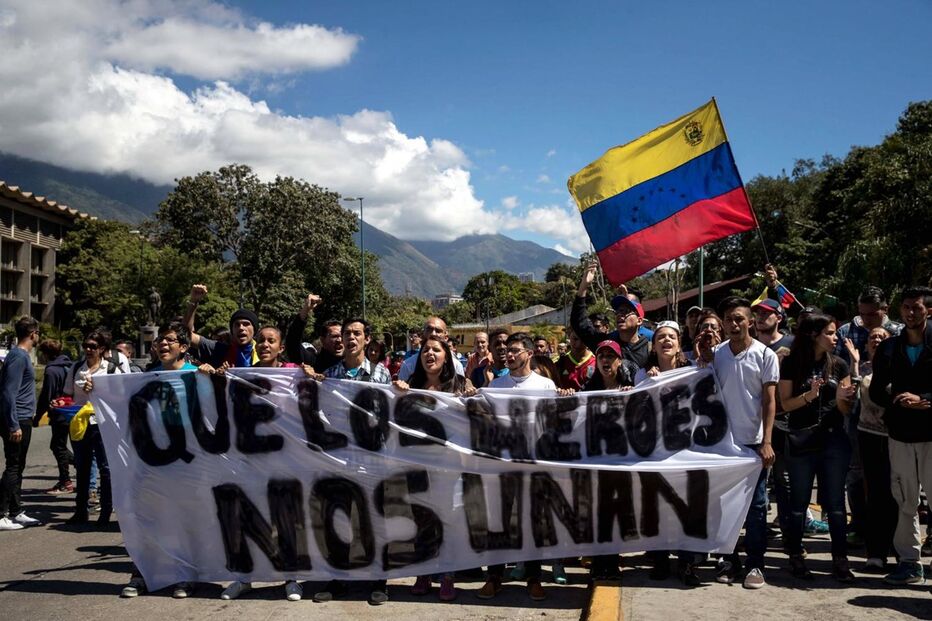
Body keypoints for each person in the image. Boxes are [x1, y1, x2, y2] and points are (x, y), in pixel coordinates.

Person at [218, 326, 304, 602]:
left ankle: (291, 578)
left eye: (271, 341)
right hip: (251, 459)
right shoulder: (242, 375)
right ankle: (244, 578)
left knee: (285, 518)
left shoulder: (293, 373)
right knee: (246, 517)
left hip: (285, 459)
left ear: (281, 347)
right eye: (262, 341)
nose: (265, 345)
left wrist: (310, 376)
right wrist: (214, 376)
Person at [314, 317, 391, 605]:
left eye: (356, 333)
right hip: (340, 460)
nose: (350, 338)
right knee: (339, 521)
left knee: (374, 522)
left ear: (366, 339)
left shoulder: (381, 374)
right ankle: (338, 579)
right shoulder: (329, 374)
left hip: (373, 461)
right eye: (346, 333)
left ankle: (379, 580)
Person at [777, 314, 856, 582]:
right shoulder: (791, 364)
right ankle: (796, 555)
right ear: (813, 334)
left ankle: (840, 558)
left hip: (833, 440)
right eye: (830, 333)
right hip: (801, 439)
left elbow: (845, 410)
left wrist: (844, 399)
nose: (836, 338)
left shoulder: (839, 365)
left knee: (834, 505)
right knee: (798, 504)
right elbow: (785, 404)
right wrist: (810, 395)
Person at [478, 332, 556, 602]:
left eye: (515, 350)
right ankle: (494, 576)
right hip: (503, 468)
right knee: (499, 523)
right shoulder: (495, 386)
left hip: (534, 469)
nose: (508, 354)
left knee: (534, 523)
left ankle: (534, 577)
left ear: (529, 354)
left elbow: (554, 426)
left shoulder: (546, 386)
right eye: (506, 350)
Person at [393, 335, 468, 601]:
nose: (430, 354)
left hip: (449, 468)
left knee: (448, 521)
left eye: (436, 350)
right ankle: (424, 572)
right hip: (417, 466)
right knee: (422, 520)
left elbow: (476, 417)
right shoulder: (409, 385)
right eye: (425, 350)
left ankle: (448, 575)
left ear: (446, 356)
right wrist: (397, 393)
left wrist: (472, 399)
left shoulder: (460, 385)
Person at [709, 297, 778, 589]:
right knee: (724, 506)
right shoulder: (716, 354)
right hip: (723, 445)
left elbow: (770, 400)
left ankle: (756, 565)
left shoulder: (765, 355)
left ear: (750, 321)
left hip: (753, 444)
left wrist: (767, 441)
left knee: (757, 507)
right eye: (729, 319)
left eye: (739, 318)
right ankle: (729, 560)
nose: (734, 324)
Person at [870, 286, 932, 586]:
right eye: (906, 307)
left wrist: (924, 400)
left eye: (916, 308)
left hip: (931, 433)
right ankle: (909, 562)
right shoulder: (889, 348)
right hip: (900, 434)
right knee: (905, 499)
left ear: (928, 311)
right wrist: (895, 400)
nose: (910, 313)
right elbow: (876, 390)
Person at [56, 329, 125, 527]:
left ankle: (105, 513)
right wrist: (61, 403)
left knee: (106, 469)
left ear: (102, 349)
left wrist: (98, 391)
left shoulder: (111, 369)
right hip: (80, 425)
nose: (88, 349)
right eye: (86, 345)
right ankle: (81, 511)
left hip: (104, 425)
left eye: (93, 347)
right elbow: (68, 395)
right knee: (83, 467)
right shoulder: (77, 367)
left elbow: (121, 398)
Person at [851, 326, 897, 572]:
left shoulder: (899, 367)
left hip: (898, 437)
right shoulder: (863, 368)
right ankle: (876, 552)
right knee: (876, 495)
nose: (877, 340)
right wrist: (855, 368)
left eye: (882, 337)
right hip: (868, 437)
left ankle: (901, 551)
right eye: (872, 337)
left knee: (900, 494)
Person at [0, 316, 41, 531]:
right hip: (17, 419)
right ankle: (1, 513)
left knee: (19, 465)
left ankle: (15, 510)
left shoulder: (20, 356)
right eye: (37, 333)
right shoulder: (18, 357)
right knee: (13, 466)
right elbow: (8, 393)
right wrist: (13, 424)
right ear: (33, 333)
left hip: (23, 417)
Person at [572, 264, 649, 368]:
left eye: (626, 311)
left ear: (639, 320)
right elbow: (579, 322)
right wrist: (584, 286)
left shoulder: (651, 349)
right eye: (618, 311)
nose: (620, 315)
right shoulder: (605, 344)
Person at [183, 283, 261, 368]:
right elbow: (187, 335)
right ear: (232, 331)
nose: (241, 328)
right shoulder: (219, 349)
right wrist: (193, 302)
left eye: (246, 324)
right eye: (237, 325)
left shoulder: (263, 352)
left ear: (255, 330)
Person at [34, 339, 74, 494]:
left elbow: (46, 396)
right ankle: (78, 468)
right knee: (59, 446)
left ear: (45, 354)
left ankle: (66, 480)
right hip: (72, 410)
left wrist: (38, 416)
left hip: (59, 412)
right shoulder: (69, 366)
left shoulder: (51, 371)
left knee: (58, 446)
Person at [835, 286, 903, 364]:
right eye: (862, 314)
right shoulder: (845, 332)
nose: (866, 320)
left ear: (885, 309)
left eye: (871, 315)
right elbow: (832, 365)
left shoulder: (900, 333)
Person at [398, 317, 464, 382]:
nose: (433, 334)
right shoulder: (408, 366)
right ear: (422, 335)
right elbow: (400, 392)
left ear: (446, 337)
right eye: (429, 329)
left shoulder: (456, 366)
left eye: (438, 331)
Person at [634, 321, 692, 385]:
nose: (667, 339)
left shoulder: (693, 369)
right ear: (654, 347)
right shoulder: (642, 376)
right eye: (661, 337)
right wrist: (649, 382)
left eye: (672, 337)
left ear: (678, 347)